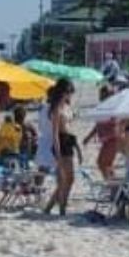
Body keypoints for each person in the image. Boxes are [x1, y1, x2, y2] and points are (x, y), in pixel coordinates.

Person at [42, 78, 79, 216]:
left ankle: (51, 207)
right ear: (63, 92)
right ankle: (61, 207)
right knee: (66, 178)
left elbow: (69, 125)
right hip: (61, 142)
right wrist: (57, 152)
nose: (70, 95)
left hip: (69, 141)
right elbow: (55, 133)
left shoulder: (66, 107)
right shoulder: (56, 108)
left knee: (67, 179)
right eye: (69, 92)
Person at [84, 86, 121, 180]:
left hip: (112, 139)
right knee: (103, 164)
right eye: (102, 94)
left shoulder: (113, 108)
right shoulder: (103, 107)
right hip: (106, 140)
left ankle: (112, 185)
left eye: (105, 94)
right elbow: (98, 126)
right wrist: (89, 136)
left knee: (104, 164)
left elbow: (117, 122)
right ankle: (112, 184)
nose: (102, 96)